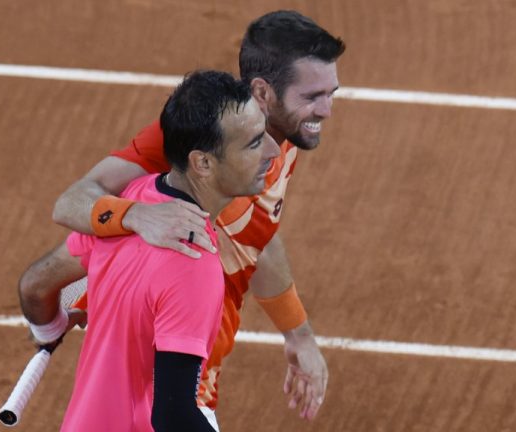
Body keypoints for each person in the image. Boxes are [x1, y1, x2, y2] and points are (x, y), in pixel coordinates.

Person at [51, 10, 345, 423]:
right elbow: (71, 203)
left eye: (332, 93)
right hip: (170, 368)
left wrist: (298, 333)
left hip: (194, 350)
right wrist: (136, 216)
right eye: (313, 97)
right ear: (263, 92)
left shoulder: (279, 139)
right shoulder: (201, 137)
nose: (327, 110)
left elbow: (257, 232)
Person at [19, 70, 280, 431]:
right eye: (253, 143)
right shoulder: (195, 261)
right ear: (202, 163)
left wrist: (49, 330)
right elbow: (172, 415)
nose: (272, 150)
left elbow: (34, 286)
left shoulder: (132, 198)